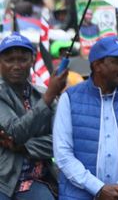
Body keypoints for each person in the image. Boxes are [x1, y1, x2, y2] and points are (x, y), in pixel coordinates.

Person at [53, 36, 118, 199]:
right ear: (97, 65)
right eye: (117, 62)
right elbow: (63, 154)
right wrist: (98, 188)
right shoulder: (70, 98)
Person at [0, 33, 68, 200]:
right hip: (6, 181)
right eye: (9, 60)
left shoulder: (43, 93)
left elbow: (61, 142)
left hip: (43, 178)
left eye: (22, 60)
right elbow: (15, 133)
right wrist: (48, 97)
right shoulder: (47, 96)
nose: (16, 66)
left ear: (32, 60)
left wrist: (24, 147)